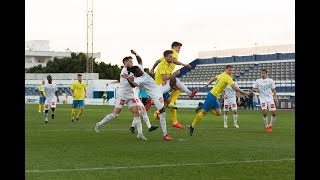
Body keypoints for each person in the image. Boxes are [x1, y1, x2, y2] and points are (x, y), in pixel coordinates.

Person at [95, 51, 153, 140]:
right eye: (130, 61)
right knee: (115, 114)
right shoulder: (124, 71)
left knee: (137, 114)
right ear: (125, 63)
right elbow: (131, 81)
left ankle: (140, 133)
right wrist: (136, 78)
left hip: (130, 95)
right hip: (122, 96)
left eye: (132, 61)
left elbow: (140, 62)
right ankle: (99, 124)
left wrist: (136, 54)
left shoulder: (133, 70)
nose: (132, 63)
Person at [188, 65, 251, 136]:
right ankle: (192, 125)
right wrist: (245, 93)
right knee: (203, 112)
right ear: (226, 70)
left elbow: (214, 78)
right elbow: (234, 87)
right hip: (212, 95)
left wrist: (209, 83)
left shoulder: (222, 75)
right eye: (230, 70)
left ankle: (202, 105)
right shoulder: (226, 77)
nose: (231, 72)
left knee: (218, 113)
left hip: (215, 96)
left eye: (232, 70)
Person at [122, 59, 174, 140]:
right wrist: (128, 79)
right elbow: (133, 85)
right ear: (135, 74)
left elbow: (140, 60)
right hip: (155, 95)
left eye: (140, 70)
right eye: (139, 71)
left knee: (173, 79)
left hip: (159, 88)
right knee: (162, 112)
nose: (141, 71)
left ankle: (188, 93)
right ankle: (165, 134)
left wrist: (135, 54)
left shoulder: (142, 72)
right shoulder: (138, 80)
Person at [149, 47, 199, 129]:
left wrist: (153, 68)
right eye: (170, 57)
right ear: (165, 57)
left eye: (172, 57)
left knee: (175, 95)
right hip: (159, 88)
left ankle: (173, 121)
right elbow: (164, 78)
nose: (172, 58)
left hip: (163, 88)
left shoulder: (168, 63)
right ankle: (189, 94)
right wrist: (177, 72)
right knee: (175, 79)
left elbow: (162, 66)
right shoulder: (162, 65)